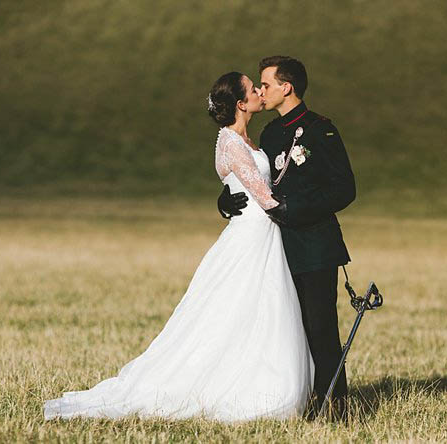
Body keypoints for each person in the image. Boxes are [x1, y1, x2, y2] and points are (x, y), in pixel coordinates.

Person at [43, 72, 313, 422]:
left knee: (260, 309)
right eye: (253, 88)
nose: (261, 91)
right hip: (251, 236)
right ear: (242, 104)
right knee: (233, 311)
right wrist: (304, 211)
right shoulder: (231, 142)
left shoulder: (251, 139)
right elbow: (262, 196)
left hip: (263, 235)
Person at [218, 56, 356, 421]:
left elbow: (344, 189)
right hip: (276, 248)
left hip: (315, 244)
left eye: (266, 84)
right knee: (287, 329)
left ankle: (336, 408)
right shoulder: (271, 134)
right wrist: (226, 198)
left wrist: (297, 209)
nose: (261, 91)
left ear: (286, 87)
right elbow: (255, 179)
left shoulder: (321, 129)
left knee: (321, 328)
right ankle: (301, 400)